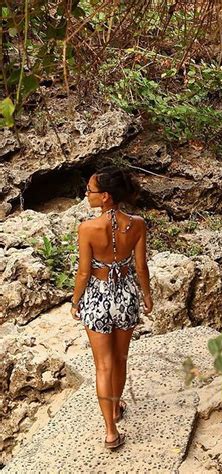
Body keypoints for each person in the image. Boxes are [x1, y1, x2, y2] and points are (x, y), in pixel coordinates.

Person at [70, 166, 153, 450]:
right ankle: (116, 409)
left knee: (103, 365)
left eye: (91, 190)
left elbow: (83, 273)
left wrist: (75, 300)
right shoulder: (138, 224)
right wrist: (147, 296)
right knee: (120, 359)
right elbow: (140, 266)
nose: (87, 194)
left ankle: (110, 431)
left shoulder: (87, 229)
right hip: (127, 295)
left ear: (105, 196)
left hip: (97, 296)